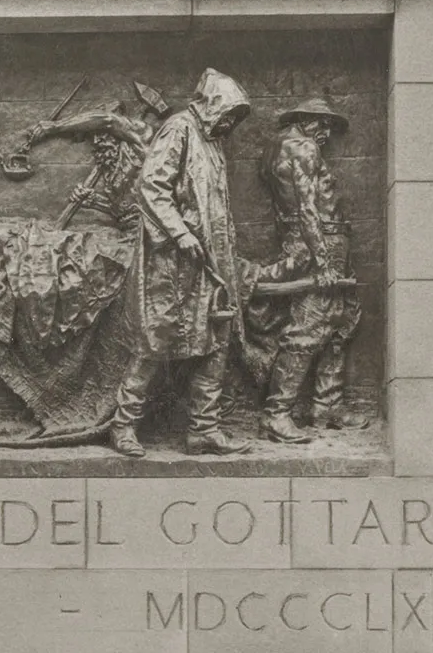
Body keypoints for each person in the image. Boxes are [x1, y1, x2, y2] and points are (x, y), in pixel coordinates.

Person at [110, 68, 252, 458]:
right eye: (229, 114)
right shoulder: (179, 128)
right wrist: (180, 232)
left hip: (210, 262)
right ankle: (123, 425)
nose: (231, 123)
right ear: (213, 104)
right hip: (172, 262)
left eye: (236, 118)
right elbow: (151, 187)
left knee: (216, 341)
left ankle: (204, 429)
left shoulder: (212, 142)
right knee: (156, 341)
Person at [255, 98, 366, 441]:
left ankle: (326, 405)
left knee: (340, 321)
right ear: (308, 121)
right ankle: (277, 413)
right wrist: (322, 260)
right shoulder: (302, 148)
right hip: (321, 242)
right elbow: (307, 209)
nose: (328, 132)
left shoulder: (278, 148)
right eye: (324, 124)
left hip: (314, 241)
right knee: (309, 326)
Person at [21, 83, 172, 228]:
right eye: (93, 137)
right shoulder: (113, 166)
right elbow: (126, 210)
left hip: (154, 231)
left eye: (98, 133)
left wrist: (54, 127)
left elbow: (107, 120)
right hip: (132, 231)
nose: (96, 141)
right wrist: (93, 200)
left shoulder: (144, 135)